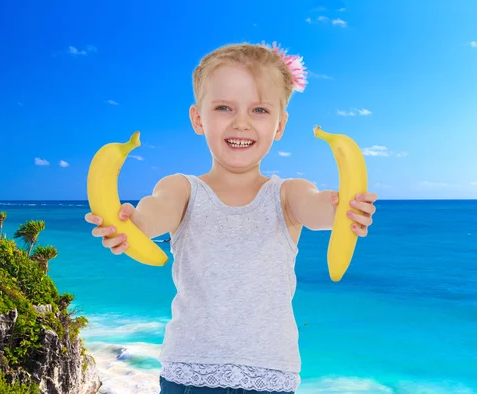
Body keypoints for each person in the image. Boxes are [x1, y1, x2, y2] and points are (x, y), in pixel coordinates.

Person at [85, 41, 378, 394]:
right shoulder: (182, 189)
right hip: (189, 375)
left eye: (259, 110)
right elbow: (154, 212)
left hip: (269, 376)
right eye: (224, 107)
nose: (241, 123)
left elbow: (317, 209)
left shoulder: (288, 194)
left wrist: (343, 209)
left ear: (280, 125)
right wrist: (131, 224)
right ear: (198, 118)